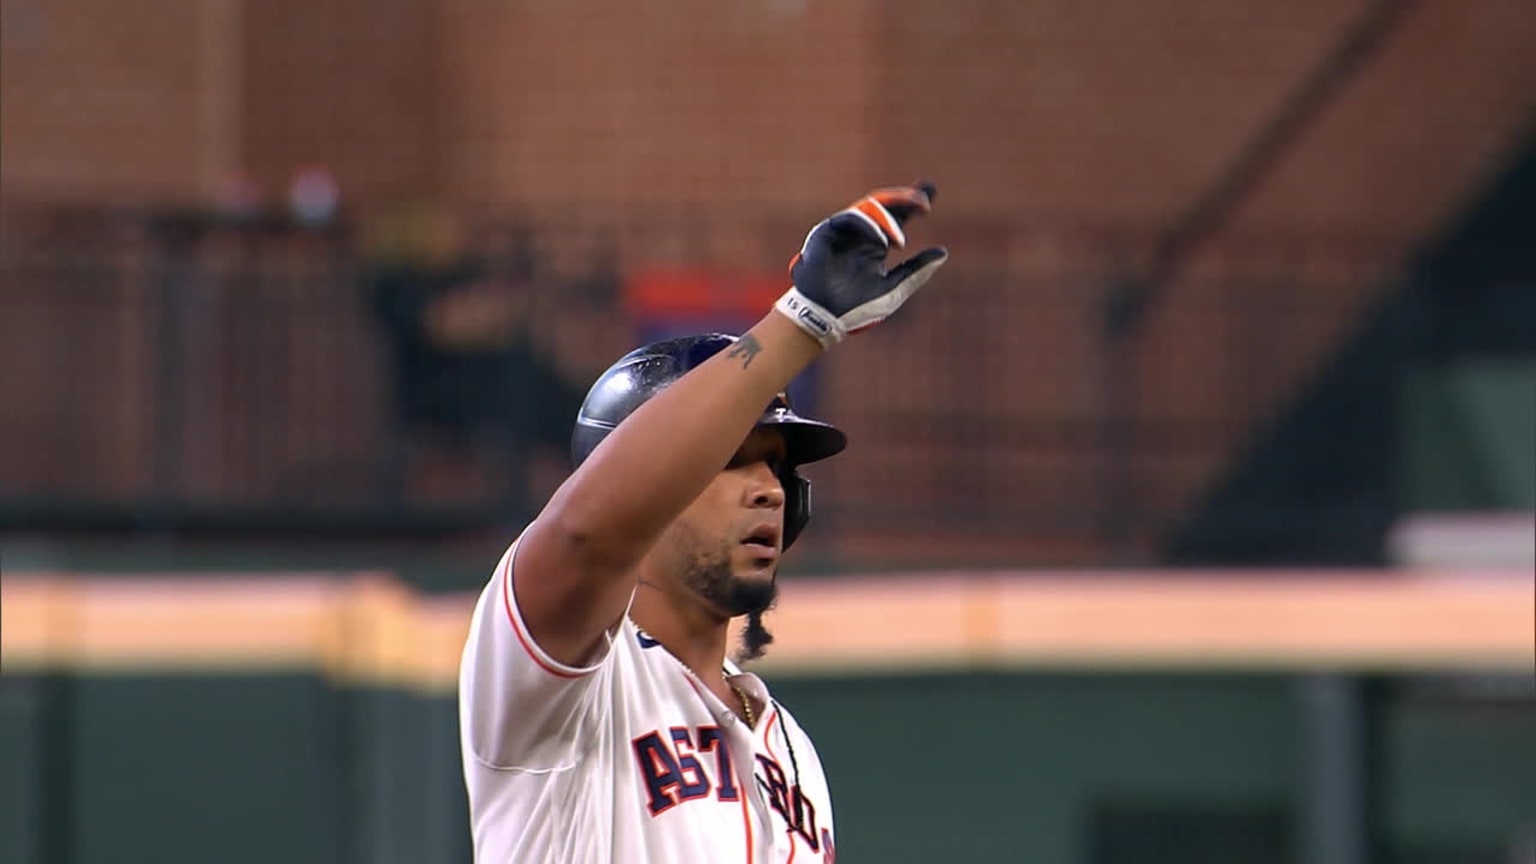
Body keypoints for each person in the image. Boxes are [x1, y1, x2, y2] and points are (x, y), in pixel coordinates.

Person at [458, 182, 948, 862]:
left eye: (776, 466)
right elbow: (585, 532)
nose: (770, 491)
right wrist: (800, 323)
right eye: (732, 459)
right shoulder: (558, 674)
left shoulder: (791, 748)